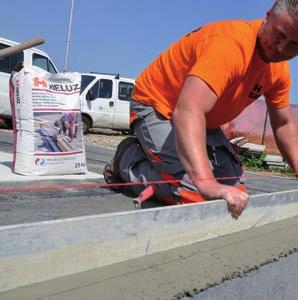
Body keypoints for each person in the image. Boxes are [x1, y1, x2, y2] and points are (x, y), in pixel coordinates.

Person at [104, 0, 298, 218]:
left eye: (294, 45)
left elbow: (282, 124)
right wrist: (206, 182)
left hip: (201, 118)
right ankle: (127, 161)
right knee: (197, 194)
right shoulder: (231, 44)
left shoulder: (278, 70)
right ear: (269, 15)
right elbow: (188, 110)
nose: (281, 48)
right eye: (279, 35)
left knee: (235, 196)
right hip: (159, 106)